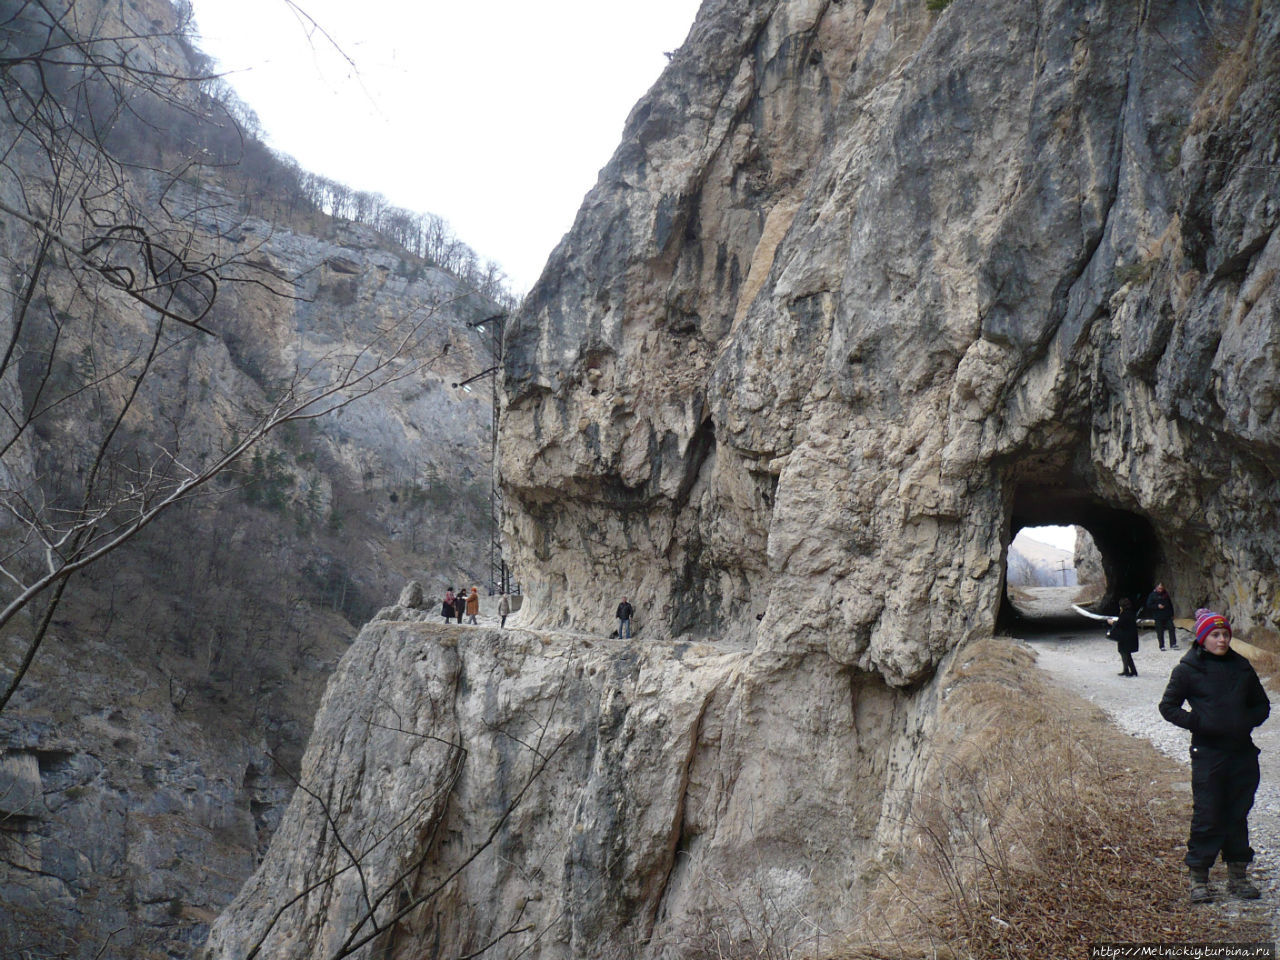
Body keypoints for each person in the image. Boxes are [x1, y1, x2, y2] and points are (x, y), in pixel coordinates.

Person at [1159, 608, 1270, 903]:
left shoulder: (1242, 667)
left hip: (1242, 752)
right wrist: (1199, 722)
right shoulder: (1187, 669)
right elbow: (1168, 707)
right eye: (1215, 635)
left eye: (1225, 635)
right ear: (1202, 638)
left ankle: (1238, 877)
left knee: (1237, 814)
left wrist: (1246, 721)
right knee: (1208, 814)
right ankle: (1199, 879)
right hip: (1208, 753)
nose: (1221, 640)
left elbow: (1262, 706)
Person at [1107, 596, 1140, 677]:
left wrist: (1112, 623)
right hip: (1130, 636)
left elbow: (1120, 624)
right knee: (1126, 653)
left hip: (1125, 637)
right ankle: (1130, 670)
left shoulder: (1124, 614)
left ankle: (1129, 671)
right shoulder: (1131, 613)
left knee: (1125, 653)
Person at [1143, 583, 1178, 650]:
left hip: (1167, 615)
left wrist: (1172, 614)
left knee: (1171, 628)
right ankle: (1162, 646)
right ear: (1156, 588)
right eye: (1159, 588)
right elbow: (1148, 605)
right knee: (1160, 631)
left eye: (1162, 588)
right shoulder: (1152, 595)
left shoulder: (1166, 594)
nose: (1160, 590)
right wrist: (1157, 606)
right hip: (1158, 616)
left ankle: (1173, 644)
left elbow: (1170, 604)